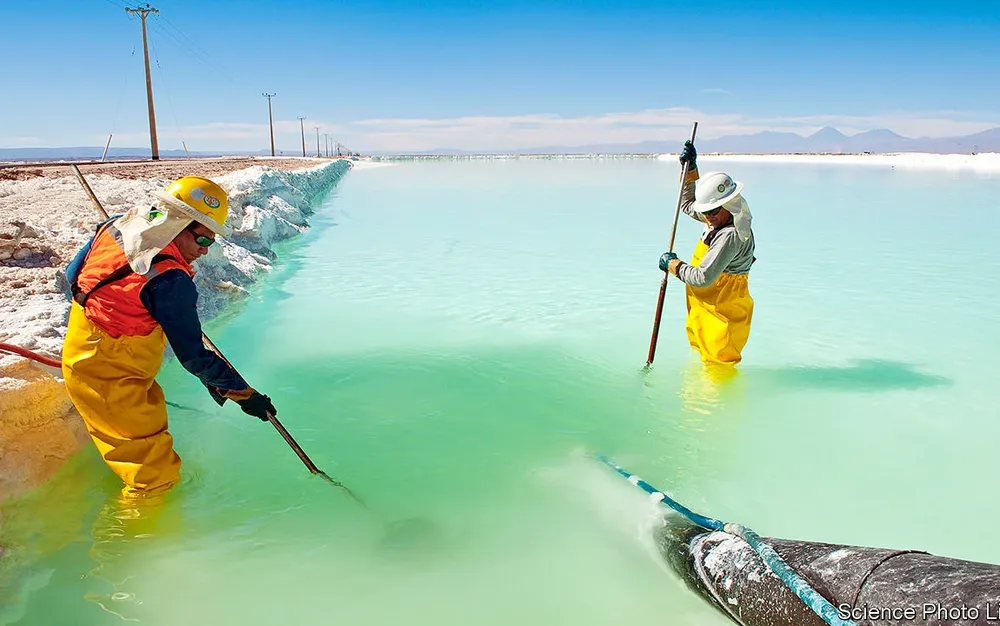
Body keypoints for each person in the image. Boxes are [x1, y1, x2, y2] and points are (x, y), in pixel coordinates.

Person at [61, 176, 277, 497]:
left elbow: (73, 277)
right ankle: (133, 528)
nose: (205, 250)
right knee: (155, 480)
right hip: (112, 379)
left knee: (141, 444)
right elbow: (194, 357)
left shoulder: (118, 226)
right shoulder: (168, 280)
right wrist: (247, 396)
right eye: (203, 240)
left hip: (84, 351)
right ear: (178, 224)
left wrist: (122, 305)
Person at [658, 140, 755, 366]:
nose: (708, 217)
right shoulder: (720, 216)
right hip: (707, 302)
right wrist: (690, 171)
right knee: (702, 354)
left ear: (729, 203)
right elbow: (687, 205)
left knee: (718, 361)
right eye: (706, 211)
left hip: (723, 304)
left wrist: (673, 265)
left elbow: (703, 277)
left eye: (712, 211)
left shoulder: (730, 234)